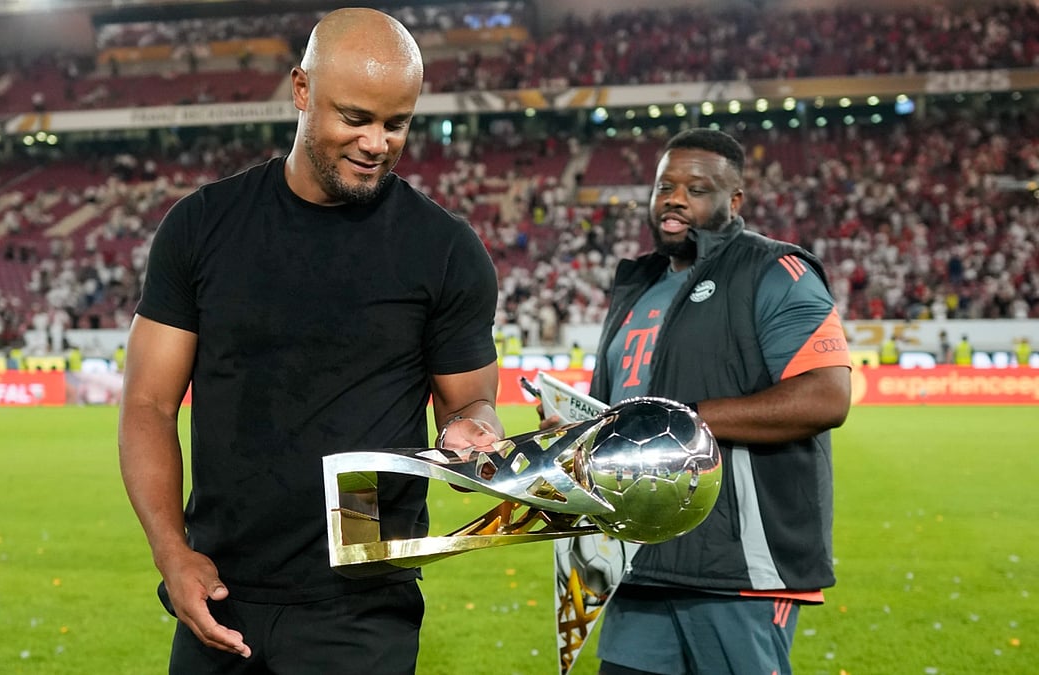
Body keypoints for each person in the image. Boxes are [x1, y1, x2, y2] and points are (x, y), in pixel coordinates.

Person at [117, 8, 503, 675]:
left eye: (397, 123)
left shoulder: (444, 250)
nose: (377, 143)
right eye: (355, 118)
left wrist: (471, 432)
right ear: (301, 90)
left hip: (363, 602)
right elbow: (149, 404)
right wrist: (171, 552)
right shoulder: (201, 227)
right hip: (221, 591)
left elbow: (471, 406)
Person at [567, 128, 853, 674]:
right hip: (638, 555)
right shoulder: (635, 286)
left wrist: (683, 423)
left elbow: (825, 396)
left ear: (734, 201)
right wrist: (574, 425)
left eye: (696, 188)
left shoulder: (774, 271)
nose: (675, 197)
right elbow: (612, 414)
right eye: (664, 185)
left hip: (733, 566)